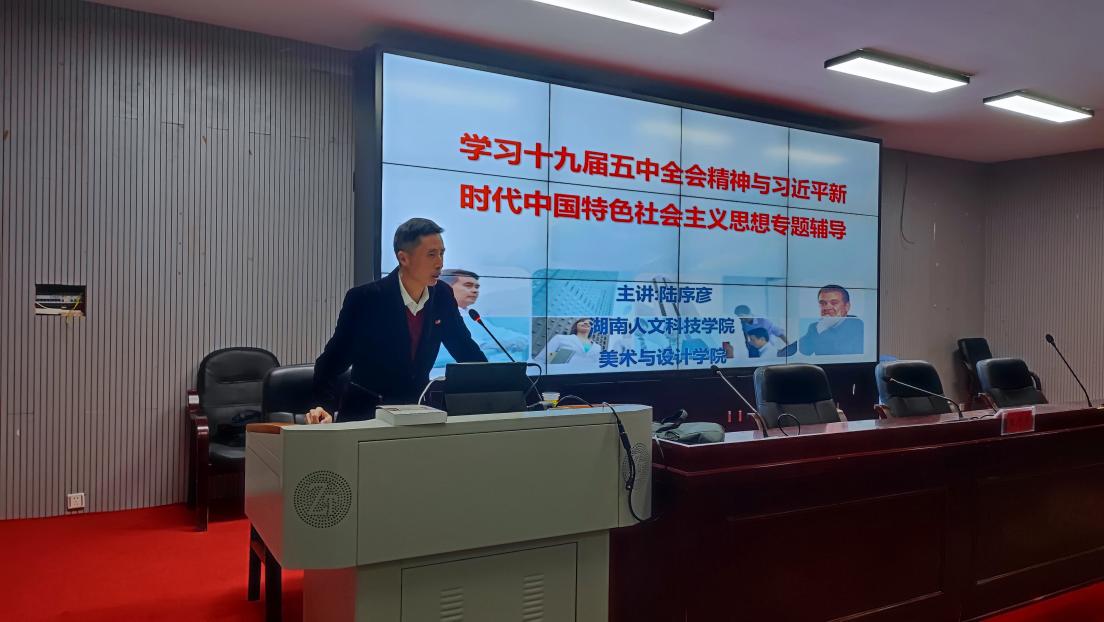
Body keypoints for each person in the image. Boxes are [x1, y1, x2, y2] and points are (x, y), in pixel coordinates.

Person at [306, 218, 487, 423]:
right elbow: (331, 363)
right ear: (403, 258)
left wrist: (496, 389)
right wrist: (323, 407)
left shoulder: (442, 295)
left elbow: (466, 350)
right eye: (431, 254)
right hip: (367, 417)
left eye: (441, 253)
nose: (440, 263)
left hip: (418, 414)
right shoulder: (366, 299)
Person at [436, 268, 529, 365]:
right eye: (468, 285)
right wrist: (488, 346)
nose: (475, 291)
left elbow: (504, 334)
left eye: (476, 287)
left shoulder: (474, 317)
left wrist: (521, 339)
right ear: (446, 287)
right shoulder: (438, 317)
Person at [796, 284, 864, 355]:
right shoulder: (815, 327)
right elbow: (801, 352)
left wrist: (824, 329)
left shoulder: (858, 326)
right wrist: (820, 328)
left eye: (834, 303)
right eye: (823, 303)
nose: (827, 307)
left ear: (847, 306)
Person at [533, 318, 601, 367]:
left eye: (590, 323)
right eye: (582, 321)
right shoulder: (560, 338)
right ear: (576, 325)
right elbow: (542, 359)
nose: (586, 323)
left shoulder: (597, 347)